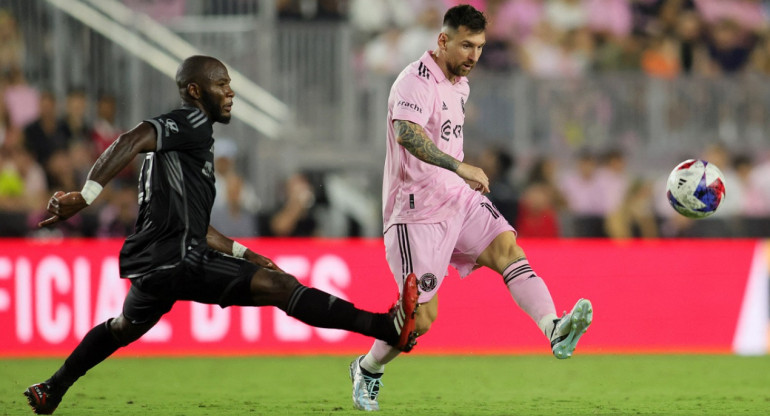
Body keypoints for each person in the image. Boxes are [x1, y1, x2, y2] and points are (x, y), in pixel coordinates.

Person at [24, 55, 420, 415]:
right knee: (280, 288)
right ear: (196, 91)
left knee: (122, 327)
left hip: (153, 265)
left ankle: (52, 388)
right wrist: (87, 194)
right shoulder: (190, 121)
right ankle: (385, 327)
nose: (230, 93)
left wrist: (244, 253)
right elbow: (130, 139)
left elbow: (196, 224)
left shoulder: (179, 150)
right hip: (178, 257)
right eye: (221, 85)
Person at [348, 5, 593, 411]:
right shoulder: (414, 81)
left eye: (479, 47)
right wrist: (460, 166)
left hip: (458, 199)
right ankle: (369, 368)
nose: (474, 56)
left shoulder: (460, 84)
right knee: (420, 322)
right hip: (416, 213)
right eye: (466, 45)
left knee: (508, 248)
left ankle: (554, 328)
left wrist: (458, 176)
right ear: (442, 40)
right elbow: (407, 134)